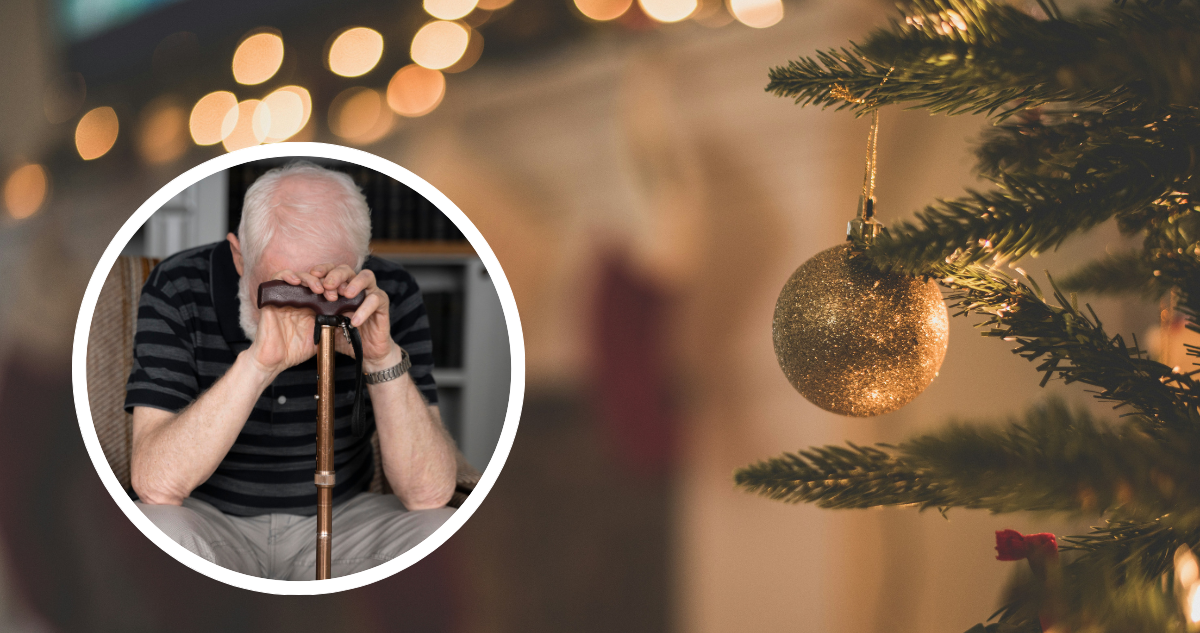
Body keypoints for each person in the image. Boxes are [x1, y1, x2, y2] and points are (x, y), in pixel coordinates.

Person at [125, 161, 459, 580]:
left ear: (360, 263)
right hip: (210, 518)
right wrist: (259, 364)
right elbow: (155, 484)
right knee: (153, 529)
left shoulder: (386, 293)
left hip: (345, 518)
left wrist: (380, 357)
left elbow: (428, 494)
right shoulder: (177, 285)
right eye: (282, 288)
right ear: (239, 257)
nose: (304, 309)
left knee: (441, 531)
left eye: (325, 292)